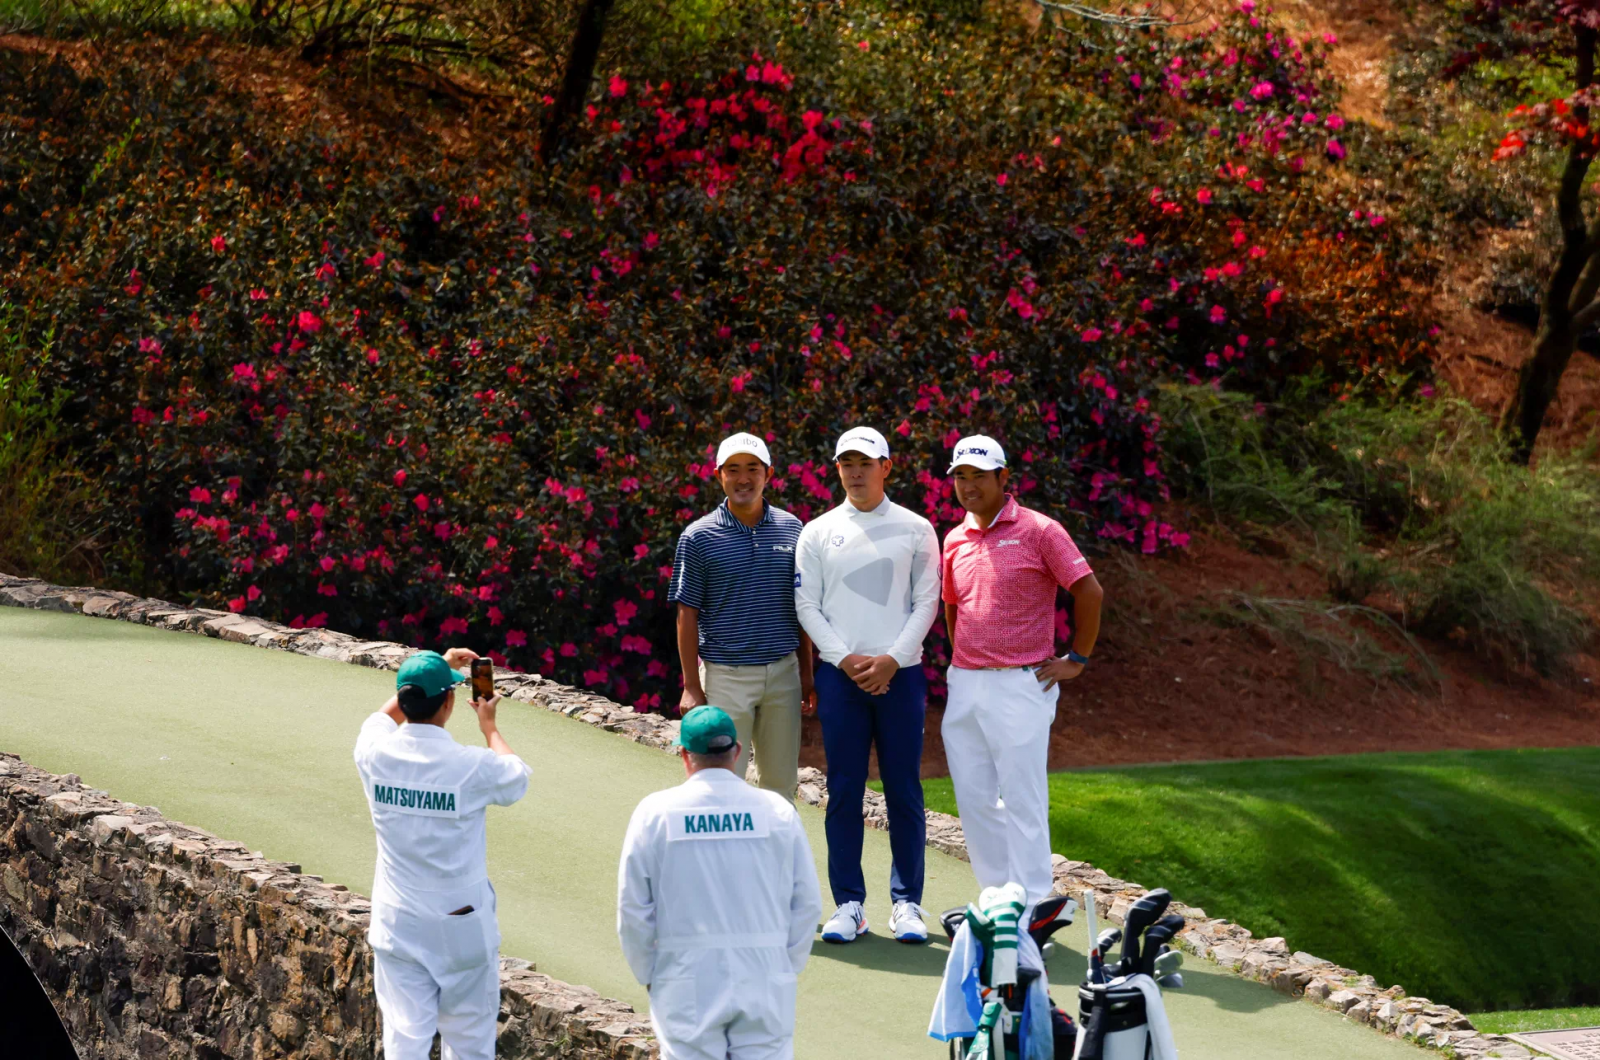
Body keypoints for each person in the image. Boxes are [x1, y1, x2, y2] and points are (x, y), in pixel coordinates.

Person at [941, 435, 1104, 906]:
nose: (968, 485)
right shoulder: (954, 537)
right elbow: (954, 606)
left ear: (1002, 477)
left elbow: (1089, 592)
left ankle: (1035, 903)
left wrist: (1077, 659)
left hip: (1023, 682)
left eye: (978, 475)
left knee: (1022, 798)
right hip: (966, 682)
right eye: (960, 476)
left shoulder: (1040, 530)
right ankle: (998, 896)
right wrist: (964, 661)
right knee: (973, 799)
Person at [794, 426, 941, 944]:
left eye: (865, 462)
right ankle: (850, 904)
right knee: (843, 790)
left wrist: (892, 661)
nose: (855, 471)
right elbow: (806, 605)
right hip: (841, 678)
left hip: (900, 679)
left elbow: (928, 601)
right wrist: (845, 659)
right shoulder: (817, 531)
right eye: (846, 463)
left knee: (903, 789)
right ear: (837, 468)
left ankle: (907, 904)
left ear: (887, 467)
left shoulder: (917, 528)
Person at [353, 648, 532, 1060]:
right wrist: (489, 726)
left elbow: (381, 718)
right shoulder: (470, 764)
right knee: (470, 1044)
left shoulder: (373, 753)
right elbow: (515, 778)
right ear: (450, 702)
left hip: (397, 920)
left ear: (405, 698)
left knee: (403, 1041)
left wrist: (435, 669)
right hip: (461, 922)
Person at [617, 705, 823, 1060]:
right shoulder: (777, 811)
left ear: (683, 753)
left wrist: (649, 974)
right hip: (764, 973)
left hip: (685, 975)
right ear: (738, 751)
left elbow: (633, 909)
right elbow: (806, 903)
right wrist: (783, 964)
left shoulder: (655, 812)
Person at [670, 432, 815, 800]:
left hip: (783, 675)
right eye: (733, 470)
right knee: (720, 785)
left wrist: (807, 674)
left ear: (768, 474)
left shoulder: (792, 529)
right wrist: (691, 685)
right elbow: (686, 613)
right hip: (725, 678)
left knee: (781, 787)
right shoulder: (698, 537)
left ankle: (775, 859)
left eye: (752, 468)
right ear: (720, 475)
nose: (743, 478)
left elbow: (802, 607)